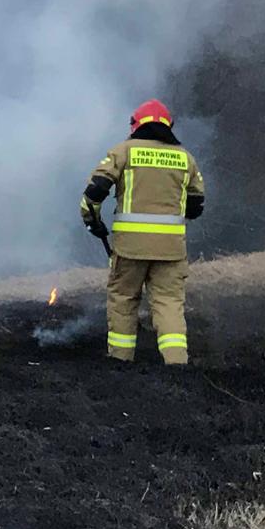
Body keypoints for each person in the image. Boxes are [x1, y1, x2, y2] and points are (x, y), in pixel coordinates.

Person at [80, 99, 206, 365]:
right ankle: (176, 363)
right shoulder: (186, 158)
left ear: (135, 125)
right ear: (168, 126)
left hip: (129, 249)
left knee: (124, 300)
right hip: (171, 250)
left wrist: (93, 221)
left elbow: (94, 191)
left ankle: (121, 361)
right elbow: (196, 206)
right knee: (169, 304)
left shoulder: (123, 152)